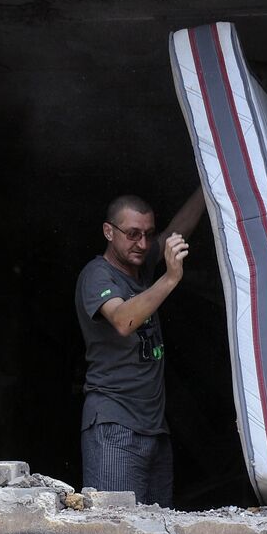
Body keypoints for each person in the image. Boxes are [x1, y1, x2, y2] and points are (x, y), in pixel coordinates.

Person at [76, 190, 205, 507]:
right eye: (133, 234)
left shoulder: (141, 265)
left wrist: (209, 185)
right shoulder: (97, 275)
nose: (143, 244)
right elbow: (123, 320)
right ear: (109, 231)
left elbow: (177, 230)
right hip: (114, 428)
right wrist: (171, 278)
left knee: (156, 532)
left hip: (154, 430)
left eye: (148, 235)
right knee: (116, 531)